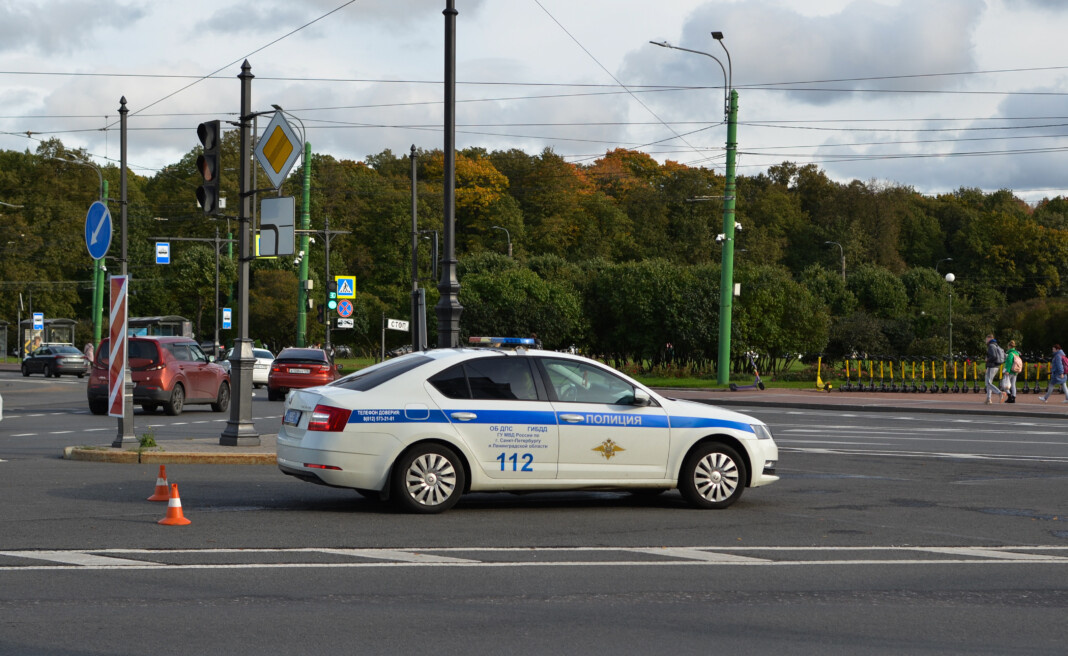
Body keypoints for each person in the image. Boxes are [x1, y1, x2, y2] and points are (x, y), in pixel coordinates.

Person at [983, 334, 1005, 404]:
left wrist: (987, 360)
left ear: (989, 338)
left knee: (988, 383)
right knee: (989, 383)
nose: (985, 341)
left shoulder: (991, 345)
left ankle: (1000, 393)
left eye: (986, 339)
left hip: (991, 366)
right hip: (996, 366)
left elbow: (993, 356)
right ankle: (988, 399)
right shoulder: (996, 345)